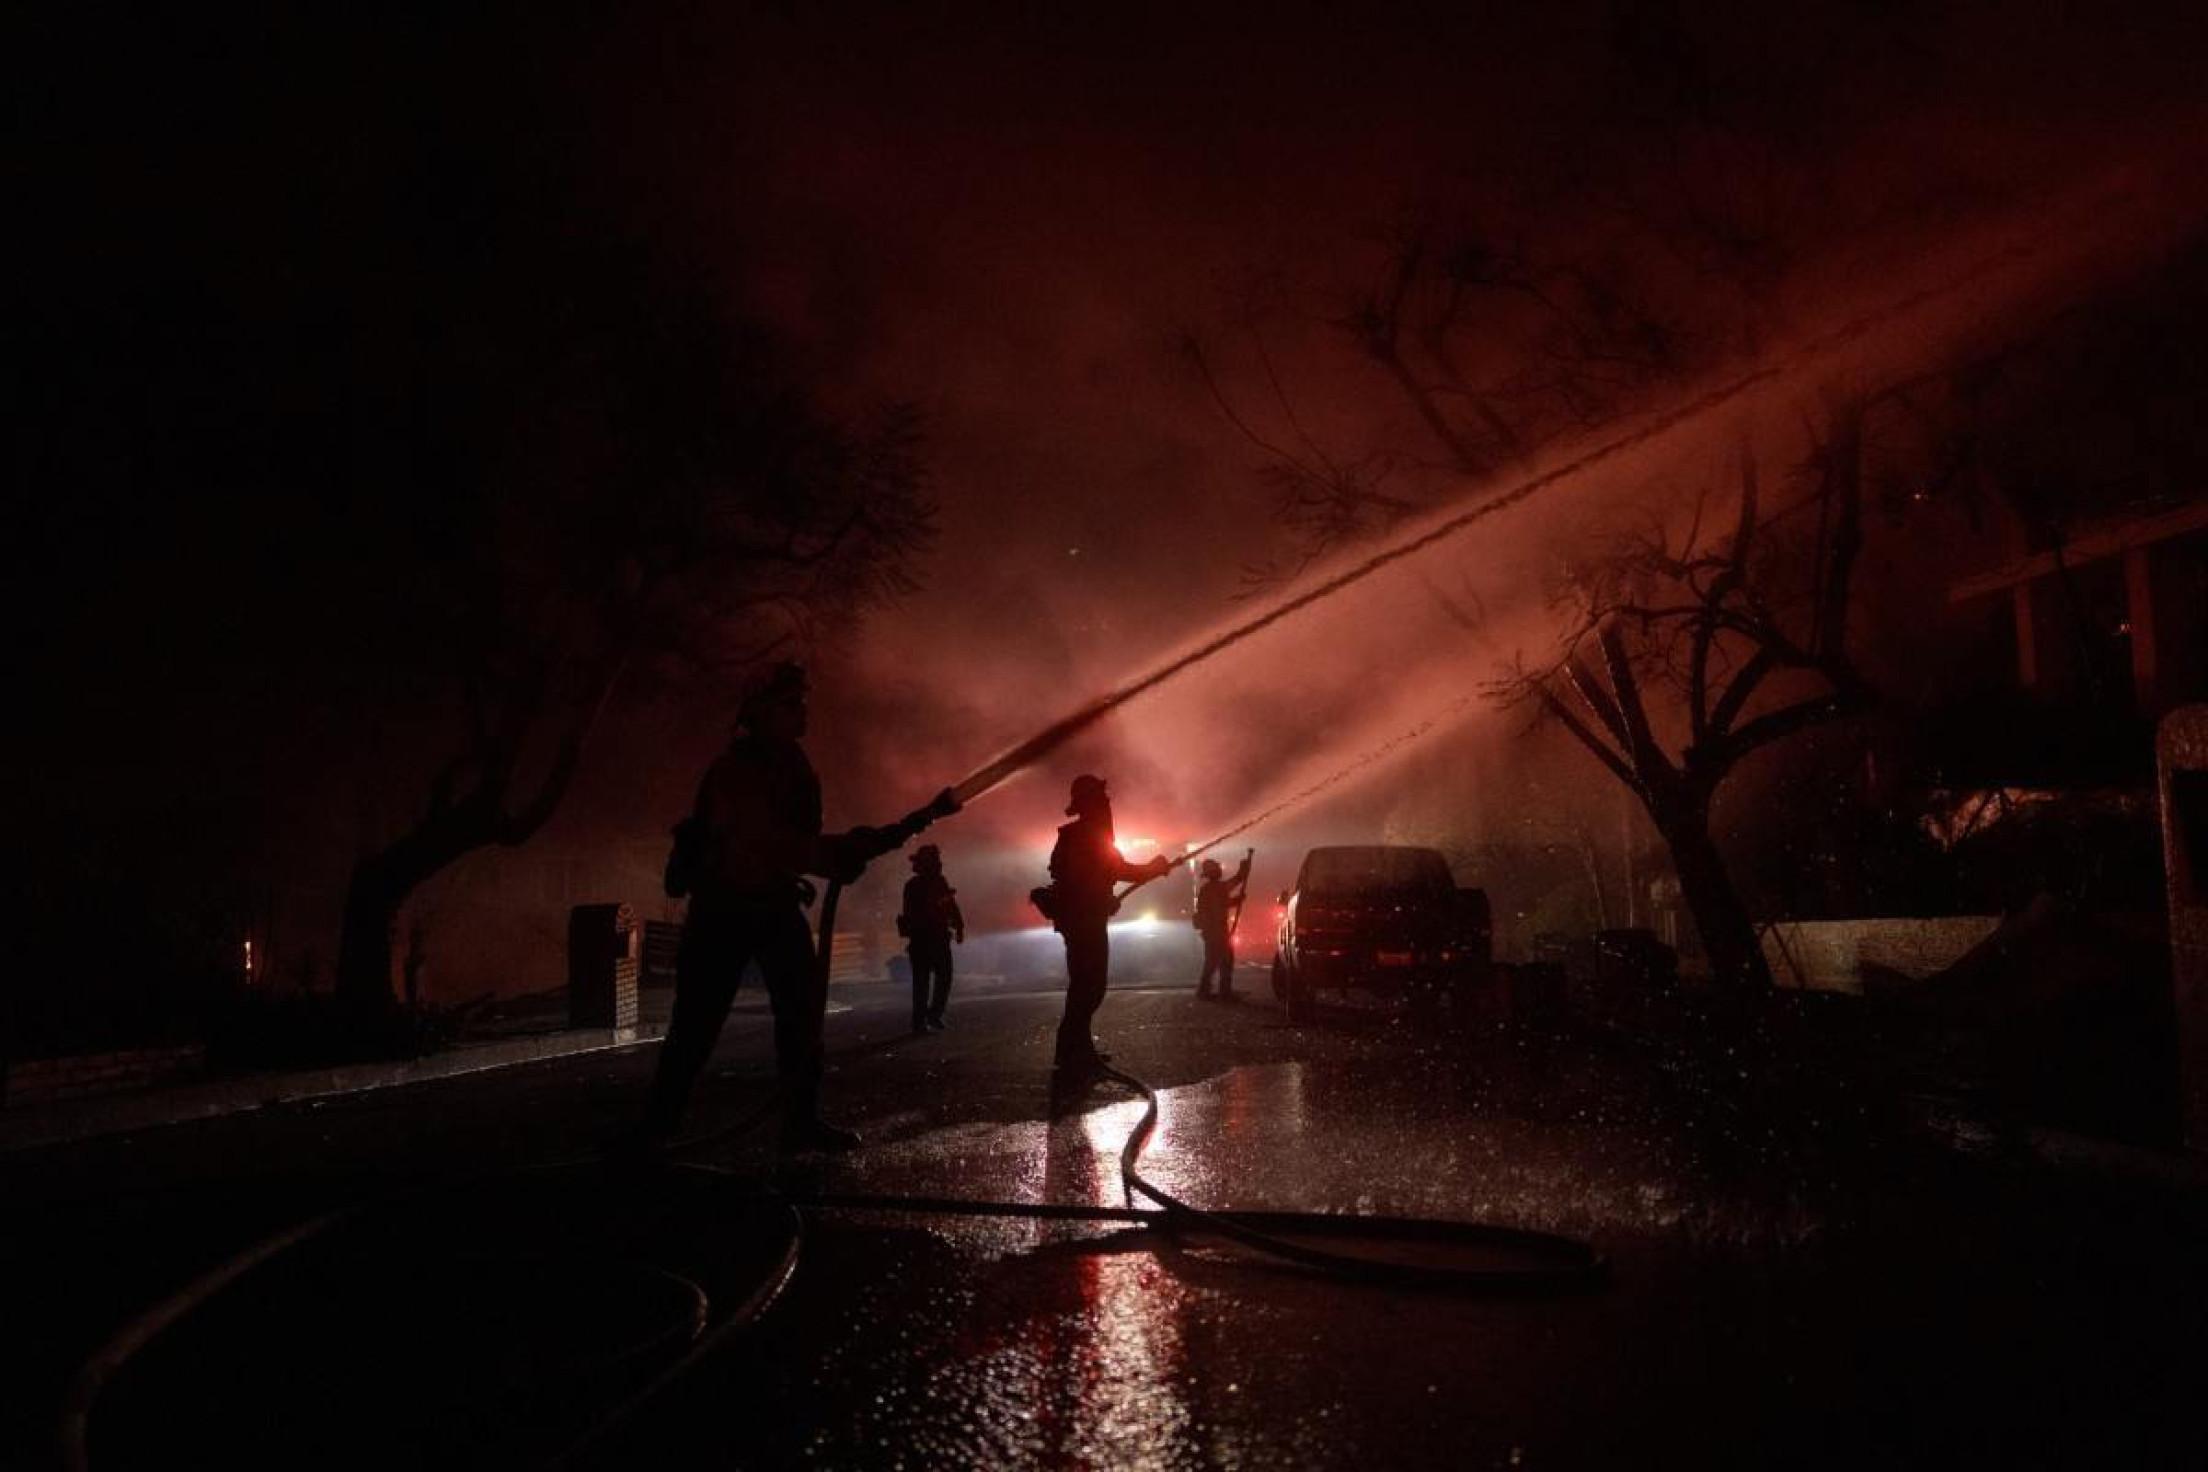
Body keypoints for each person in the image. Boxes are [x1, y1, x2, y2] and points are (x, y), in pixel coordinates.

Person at [633, 662, 931, 1154]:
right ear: (761, 711)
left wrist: (834, 854)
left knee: (801, 1014)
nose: (802, 710)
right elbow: (765, 843)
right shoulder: (738, 770)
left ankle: (800, 1121)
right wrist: (832, 856)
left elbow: (794, 844)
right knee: (697, 1024)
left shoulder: (791, 762)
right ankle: (657, 1128)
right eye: (790, 703)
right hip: (724, 910)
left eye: (801, 701)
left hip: (770, 903)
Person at [1046, 774, 1171, 1072]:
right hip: (1083, 920)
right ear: (1090, 802)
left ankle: (1078, 1049)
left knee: (1086, 985)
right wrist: (1152, 868)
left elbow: (1105, 873)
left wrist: (1107, 896)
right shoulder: (1087, 834)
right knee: (1088, 986)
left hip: (1084, 918)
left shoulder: (1083, 834)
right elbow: (1115, 869)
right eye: (1101, 798)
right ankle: (1070, 1052)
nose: (1107, 803)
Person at [899, 844, 965, 1033]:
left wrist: (959, 926)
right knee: (931, 980)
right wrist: (957, 926)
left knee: (930, 981)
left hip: (929, 940)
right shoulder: (919, 885)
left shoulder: (933, 883)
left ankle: (926, 1019)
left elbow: (951, 907)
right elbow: (944, 907)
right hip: (927, 940)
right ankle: (926, 1019)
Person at [1192, 849, 1253, 1000]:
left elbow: (1233, 884)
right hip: (1216, 931)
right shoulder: (1213, 889)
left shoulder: (1211, 888)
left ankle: (1213, 990)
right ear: (1213, 873)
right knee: (1219, 961)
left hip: (1214, 931)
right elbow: (1220, 906)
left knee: (1218, 961)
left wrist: (1243, 870)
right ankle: (1215, 991)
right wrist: (1236, 900)